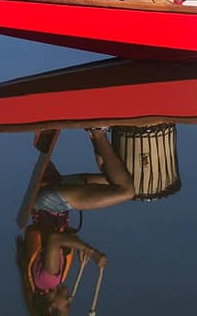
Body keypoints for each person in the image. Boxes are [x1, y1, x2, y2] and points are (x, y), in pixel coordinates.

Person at [16, 128, 134, 315]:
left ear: (51, 307)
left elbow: (55, 239)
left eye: (67, 306)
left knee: (126, 190)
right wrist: (75, 246)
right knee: (116, 177)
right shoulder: (44, 283)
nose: (70, 299)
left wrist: (90, 251)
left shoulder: (49, 281)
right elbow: (58, 238)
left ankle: (97, 132)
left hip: (51, 203)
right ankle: (95, 132)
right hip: (51, 203)